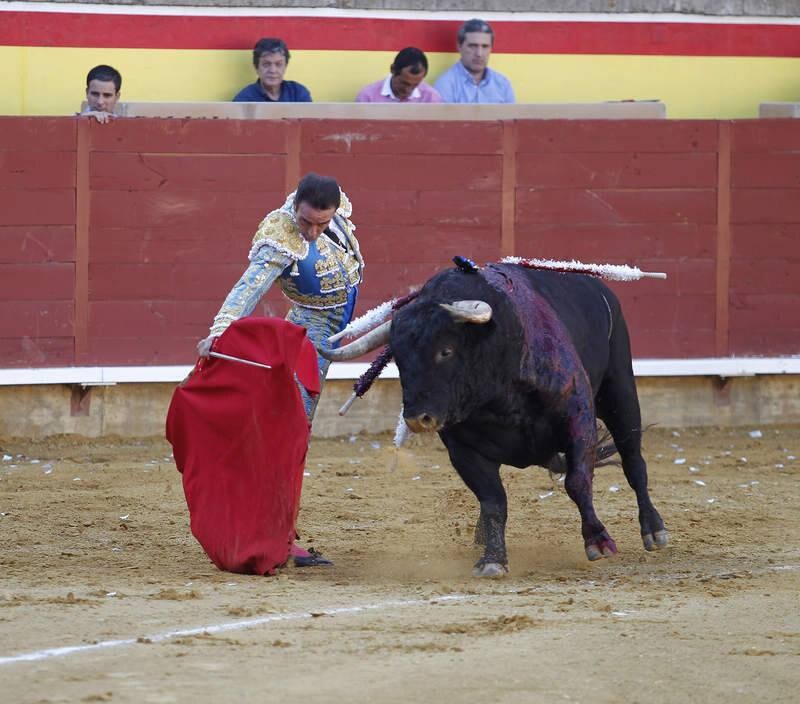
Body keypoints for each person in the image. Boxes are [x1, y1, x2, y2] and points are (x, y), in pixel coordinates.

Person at [197, 174, 362, 566]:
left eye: (322, 223)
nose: (312, 231)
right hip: (312, 334)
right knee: (290, 437)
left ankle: (277, 531)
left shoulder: (335, 213)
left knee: (292, 435)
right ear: (295, 208)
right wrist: (219, 332)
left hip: (339, 327)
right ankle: (277, 539)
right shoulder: (281, 235)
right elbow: (247, 288)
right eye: (306, 222)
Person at [434, 18, 515, 104]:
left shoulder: (502, 84)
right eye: (472, 46)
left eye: (485, 46)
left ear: (491, 48)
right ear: (459, 46)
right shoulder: (446, 85)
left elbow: (512, 117)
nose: (479, 54)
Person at [233, 38, 312, 103]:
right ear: (256, 68)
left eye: (278, 64)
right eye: (266, 64)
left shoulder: (298, 93)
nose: (273, 70)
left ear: (285, 67)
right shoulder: (245, 98)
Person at [355, 47, 442, 103]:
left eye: (415, 85)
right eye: (404, 83)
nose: (408, 90)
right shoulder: (368, 97)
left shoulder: (431, 98)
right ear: (393, 69)